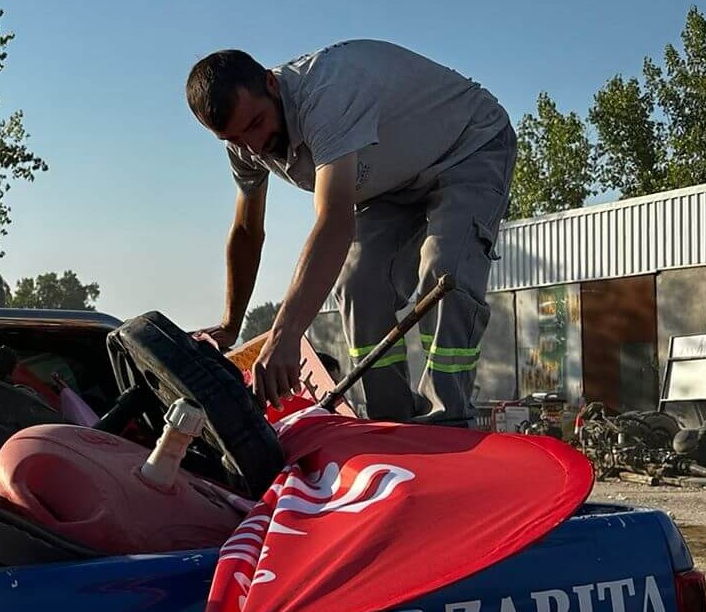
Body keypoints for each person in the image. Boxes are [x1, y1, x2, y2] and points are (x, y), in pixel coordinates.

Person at [185, 41, 516, 426]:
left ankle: (448, 422)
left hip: (468, 147)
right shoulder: (246, 143)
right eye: (235, 139)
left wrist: (285, 333)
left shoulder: (326, 96)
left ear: (271, 85)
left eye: (256, 124)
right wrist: (230, 325)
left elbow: (334, 220)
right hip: (390, 184)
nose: (254, 146)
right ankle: (389, 425)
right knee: (358, 285)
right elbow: (246, 229)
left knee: (445, 272)